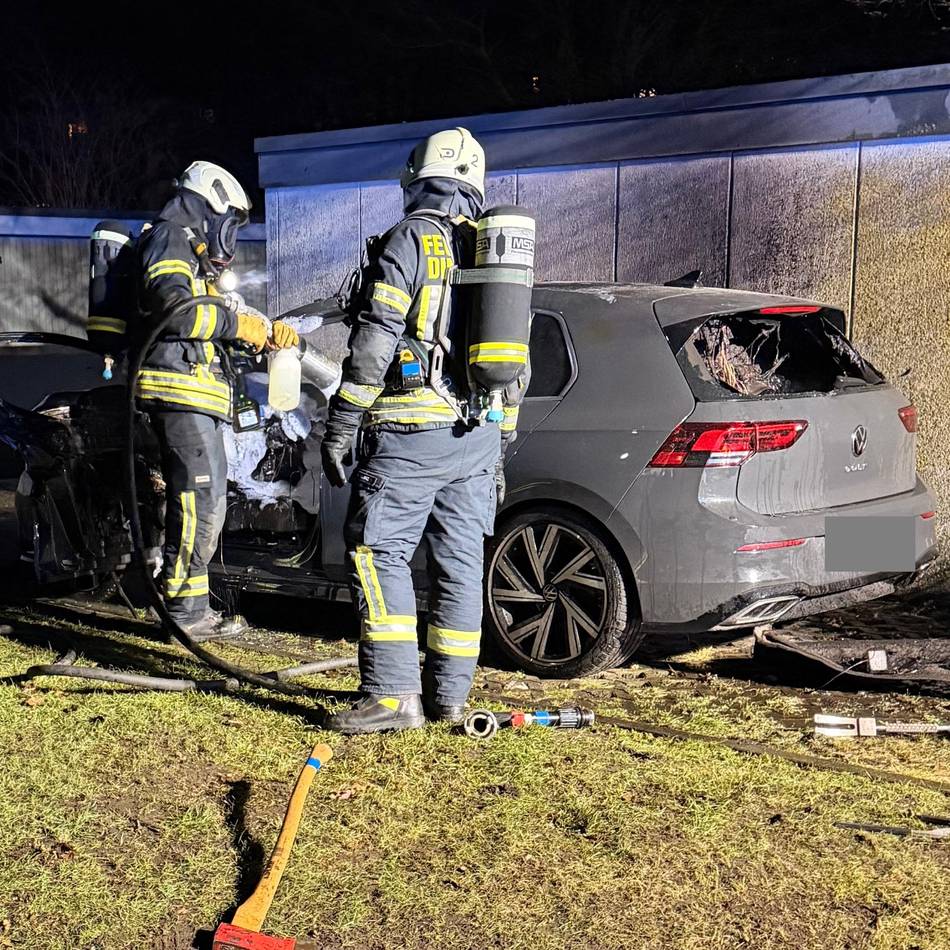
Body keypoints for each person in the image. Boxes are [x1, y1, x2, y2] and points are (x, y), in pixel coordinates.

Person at [321, 128, 526, 734]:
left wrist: (342, 423)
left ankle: (391, 696)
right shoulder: (494, 250)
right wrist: (500, 440)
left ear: (416, 179)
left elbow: (375, 338)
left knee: (379, 554)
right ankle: (450, 700)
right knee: (460, 564)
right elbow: (517, 359)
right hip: (478, 439)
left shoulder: (413, 239)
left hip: (411, 436)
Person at [136, 161, 299, 640]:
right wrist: (238, 327)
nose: (229, 235)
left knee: (202, 502)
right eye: (229, 221)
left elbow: (209, 315)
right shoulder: (169, 237)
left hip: (194, 395)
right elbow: (178, 312)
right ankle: (184, 613)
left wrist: (260, 333)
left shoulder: (189, 252)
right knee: (197, 503)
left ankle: (190, 608)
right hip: (177, 392)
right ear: (210, 208)